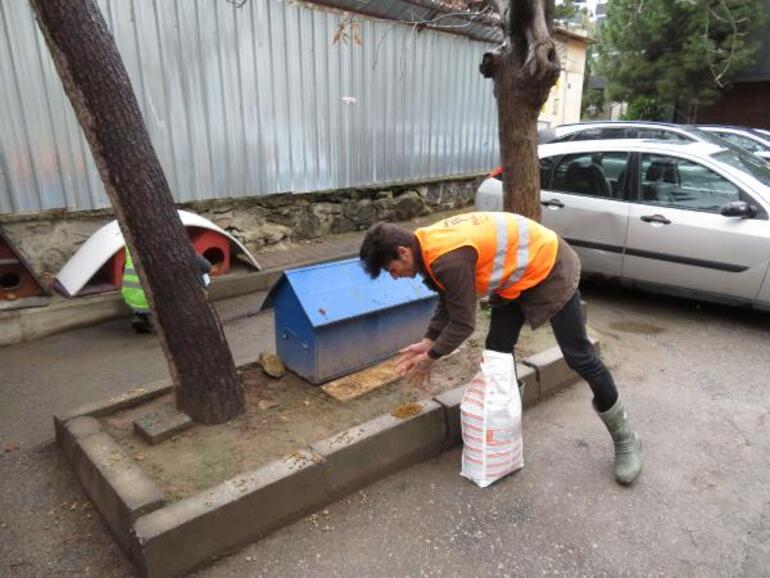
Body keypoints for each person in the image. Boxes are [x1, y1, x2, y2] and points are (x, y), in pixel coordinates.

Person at [359, 212, 643, 485]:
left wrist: (430, 358)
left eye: (390, 269)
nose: (394, 276)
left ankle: (625, 437)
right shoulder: (427, 246)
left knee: (578, 355)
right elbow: (451, 299)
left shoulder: (446, 257)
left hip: (549, 265)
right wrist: (429, 340)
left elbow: (463, 323)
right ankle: (504, 433)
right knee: (498, 353)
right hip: (515, 280)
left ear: (403, 252)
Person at [121, 247, 212, 334]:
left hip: (131, 297)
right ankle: (192, 310)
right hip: (157, 300)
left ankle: (140, 316)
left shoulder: (130, 245)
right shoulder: (174, 243)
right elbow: (206, 267)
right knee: (201, 273)